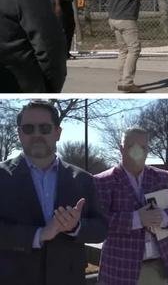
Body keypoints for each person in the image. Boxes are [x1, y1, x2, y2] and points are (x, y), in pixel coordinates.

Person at [0, 100, 107, 285]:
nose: (37, 135)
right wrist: (38, 234)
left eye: (44, 128)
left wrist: (76, 227)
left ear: (57, 132)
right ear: (19, 133)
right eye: (28, 128)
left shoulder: (83, 179)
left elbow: (101, 229)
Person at [94, 127, 168, 285]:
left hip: (162, 268)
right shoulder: (102, 181)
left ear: (148, 149)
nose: (138, 152)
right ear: (121, 148)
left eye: (143, 147)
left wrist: (164, 217)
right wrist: (137, 219)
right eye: (131, 146)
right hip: (120, 271)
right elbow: (99, 222)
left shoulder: (161, 177)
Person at [108, 0, 153, 93]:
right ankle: (127, 82)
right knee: (134, 49)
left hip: (113, 17)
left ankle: (122, 81)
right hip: (126, 18)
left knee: (123, 50)